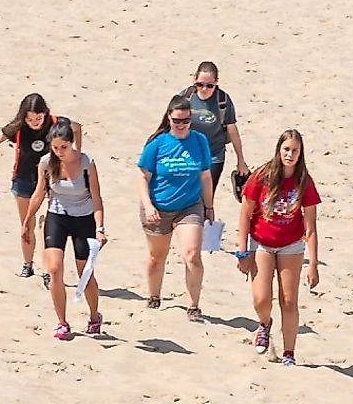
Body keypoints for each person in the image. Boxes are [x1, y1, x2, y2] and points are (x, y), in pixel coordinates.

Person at [235, 130, 322, 364]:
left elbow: (310, 226)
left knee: (289, 299)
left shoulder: (304, 181)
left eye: (295, 150)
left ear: (300, 153)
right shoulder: (263, 175)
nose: (290, 154)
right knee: (261, 298)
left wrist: (313, 263)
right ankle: (264, 323)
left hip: (291, 245)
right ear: (279, 150)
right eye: (286, 149)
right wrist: (242, 250)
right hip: (261, 242)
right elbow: (245, 213)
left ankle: (289, 353)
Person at [136, 97, 215, 318]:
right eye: (177, 121)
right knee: (156, 256)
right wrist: (149, 205)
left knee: (192, 254)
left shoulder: (199, 141)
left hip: (189, 206)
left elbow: (206, 176)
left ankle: (193, 305)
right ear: (169, 118)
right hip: (158, 207)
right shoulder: (158, 144)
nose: (181, 125)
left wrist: (209, 207)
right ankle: (154, 295)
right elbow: (142, 175)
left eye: (186, 121)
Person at [29, 117, 107, 339]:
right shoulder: (46, 163)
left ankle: (94, 315)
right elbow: (39, 193)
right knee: (54, 270)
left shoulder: (86, 163)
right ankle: (62, 322)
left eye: (63, 147)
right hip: (57, 216)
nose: (59, 152)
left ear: (72, 143)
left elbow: (96, 198)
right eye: (55, 148)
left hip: (83, 218)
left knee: (85, 272)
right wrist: (27, 222)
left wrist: (100, 228)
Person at [0, 94, 59, 277]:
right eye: (30, 119)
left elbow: (76, 128)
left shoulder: (55, 123)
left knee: (44, 227)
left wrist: (76, 151)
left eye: (38, 118)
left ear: (45, 114)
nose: (35, 122)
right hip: (23, 182)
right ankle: (27, 265)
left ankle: (47, 270)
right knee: (26, 225)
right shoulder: (17, 128)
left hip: (48, 184)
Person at [183, 61, 246, 213]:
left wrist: (240, 160)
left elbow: (232, 130)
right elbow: (170, 123)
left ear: (216, 83)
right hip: (188, 155)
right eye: (200, 84)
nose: (204, 89)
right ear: (194, 80)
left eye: (209, 86)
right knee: (187, 197)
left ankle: (204, 231)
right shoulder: (185, 98)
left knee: (206, 198)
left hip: (214, 157)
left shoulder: (223, 101)